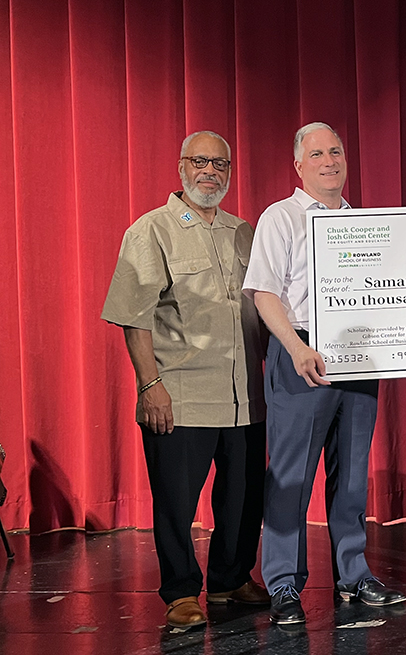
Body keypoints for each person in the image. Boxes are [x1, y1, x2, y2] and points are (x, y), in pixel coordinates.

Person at [101, 131, 269, 630]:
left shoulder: (245, 233)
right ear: (180, 166)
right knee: (176, 501)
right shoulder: (151, 231)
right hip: (180, 394)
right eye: (200, 161)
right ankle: (179, 591)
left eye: (221, 163)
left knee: (242, 497)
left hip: (245, 395)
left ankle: (229, 579)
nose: (210, 172)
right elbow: (134, 315)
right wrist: (150, 385)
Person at [243, 122, 406, 626]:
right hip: (302, 354)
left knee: (353, 474)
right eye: (317, 154)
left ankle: (353, 574)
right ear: (299, 166)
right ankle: (285, 585)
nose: (329, 160)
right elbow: (264, 292)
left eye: (336, 151)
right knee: (290, 476)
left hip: (358, 357)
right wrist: (294, 348)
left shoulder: (360, 223)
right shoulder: (282, 217)